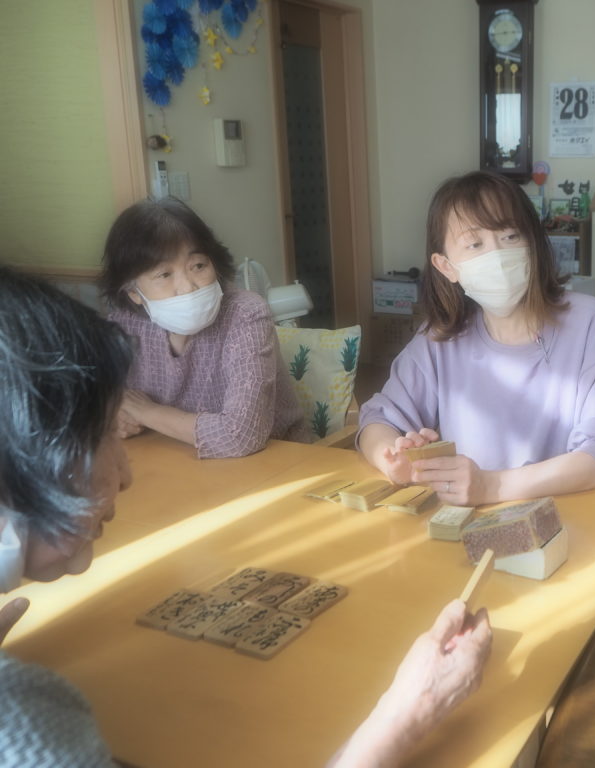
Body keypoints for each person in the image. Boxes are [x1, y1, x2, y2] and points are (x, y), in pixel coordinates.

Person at [0, 266, 491, 767]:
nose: (126, 475)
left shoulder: (244, 315)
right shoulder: (21, 721)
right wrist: (409, 715)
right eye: (106, 434)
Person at [358, 171, 595, 506]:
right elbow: (378, 419)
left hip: (571, 516)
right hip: (471, 522)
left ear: (533, 243)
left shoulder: (589, 322)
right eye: (475, 244)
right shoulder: (439, 340)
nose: (496, 255)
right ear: (446, 266)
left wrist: (492, 487)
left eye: (510, 236)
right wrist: (393, 458)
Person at [98, 198, 309, 459]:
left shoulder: (246, 315)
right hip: (172, 457)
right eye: (164, 275)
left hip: (275, 460)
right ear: (133, 293)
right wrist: (116, 414)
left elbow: (242, 435)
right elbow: (99, 399)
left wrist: (146, 412)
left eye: (198, 266)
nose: (188, 286)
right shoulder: (125, 323)